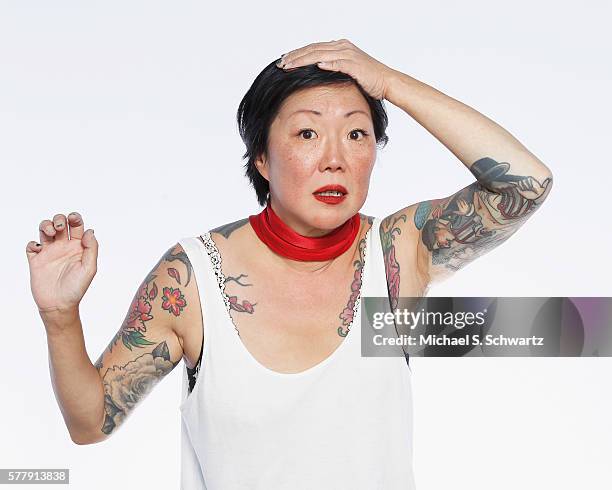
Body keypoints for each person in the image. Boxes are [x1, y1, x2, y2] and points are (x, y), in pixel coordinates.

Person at [25, 39, 553, 489]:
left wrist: (388, 82)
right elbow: (90, 421)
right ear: (261, 158)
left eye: (357, 133)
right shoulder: (192, 279)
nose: (335, 157)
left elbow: (526, 184)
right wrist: (59, 316)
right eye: (307, 133)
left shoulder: (397, 252)